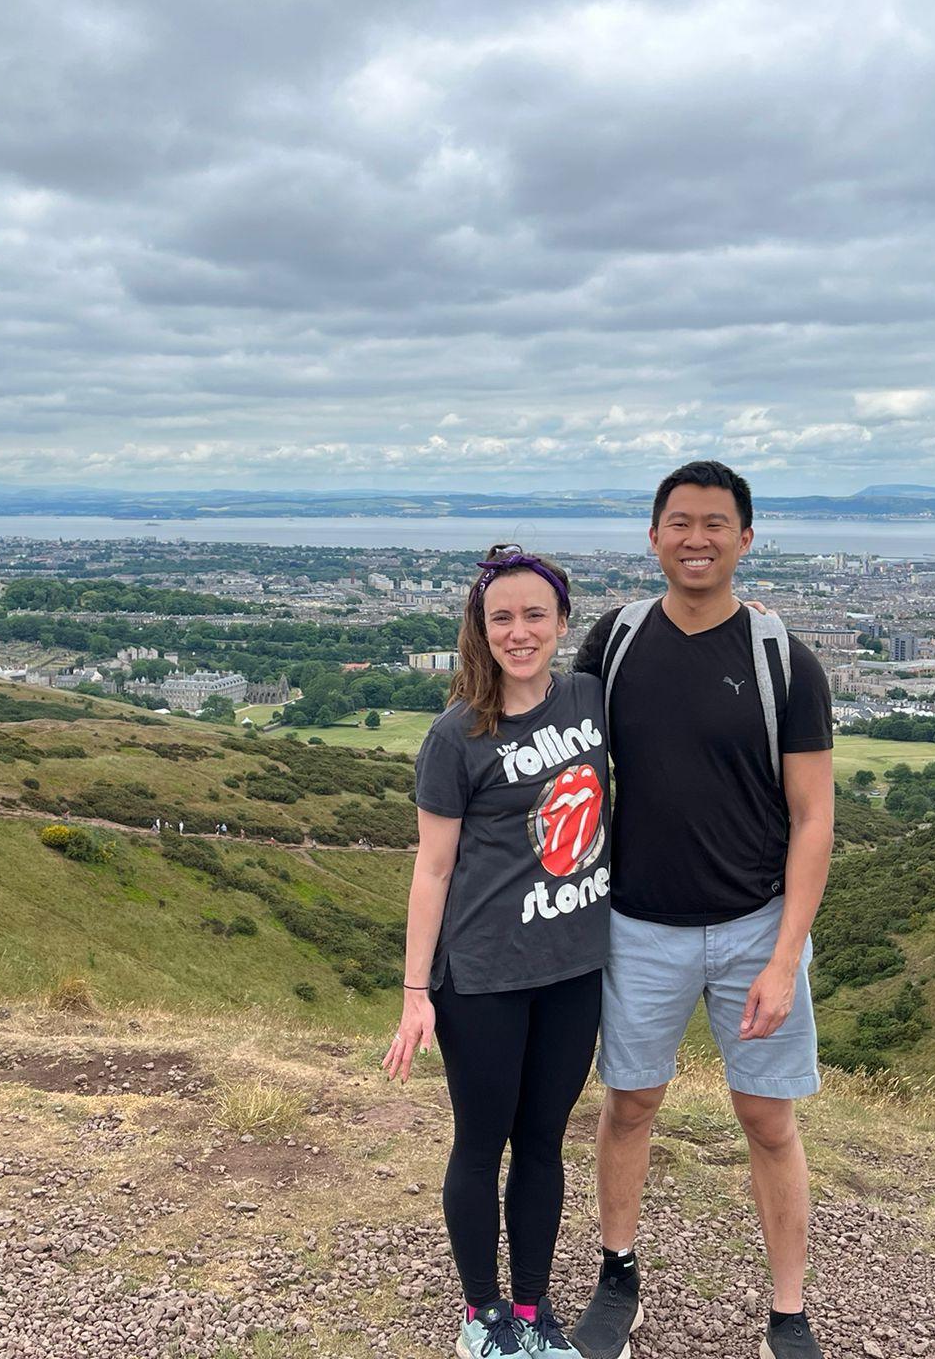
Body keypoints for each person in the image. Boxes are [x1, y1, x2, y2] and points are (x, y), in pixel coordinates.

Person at [569, 461, 835, 1359]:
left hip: (757, 925)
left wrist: (782, 955)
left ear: (745, 539)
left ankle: (788, 1315)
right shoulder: (612, 644)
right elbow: (566, 770)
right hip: (638, 924)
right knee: (630, 1103)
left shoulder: (781, 658)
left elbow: (812, 817)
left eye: (715, 523)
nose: (695, 538)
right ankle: (616, 1276)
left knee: (767, 1120)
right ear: (651, 537)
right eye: (678, 522)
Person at [385, 546, 611, 1359]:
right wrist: (417, 990)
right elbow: (432, 866)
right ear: (480, 630)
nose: (519, 632)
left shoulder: (589, 695)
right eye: (501, 618)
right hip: (480, 975)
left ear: (560, 622)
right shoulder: (456, 735)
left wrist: (748, 615)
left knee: (544, 1143)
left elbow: (673, 645)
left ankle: (530, 1310)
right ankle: (481, 1314)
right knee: (481, 1144)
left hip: (574, 967)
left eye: (534, 616)